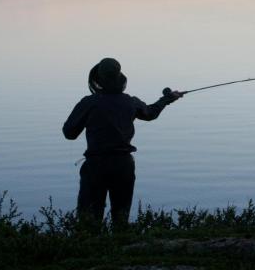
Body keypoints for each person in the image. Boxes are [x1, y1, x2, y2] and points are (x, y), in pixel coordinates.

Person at [62, 57, 182, 226]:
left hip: (96, 165)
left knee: (88, 220)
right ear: (120, 79)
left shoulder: (88, 103)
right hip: (123, 165)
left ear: (97, 80)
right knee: (121, 217)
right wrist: (167, 99)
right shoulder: (131, 102)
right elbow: (150, 113)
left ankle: (89, 249)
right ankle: (121, 247)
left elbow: (69, 133)